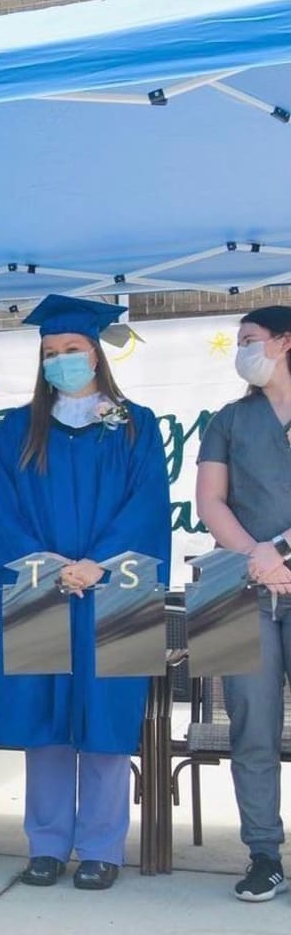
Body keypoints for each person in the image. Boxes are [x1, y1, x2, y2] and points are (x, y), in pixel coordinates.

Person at [0, 294, 171, 890]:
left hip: (117, 591)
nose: (60, 360)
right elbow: (2, 509)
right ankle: (45, 844)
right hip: (39, 587)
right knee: (44, 717)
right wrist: (46, 563)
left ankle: (101, 846)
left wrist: (98, 565)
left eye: (71, 350)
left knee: (107, 718)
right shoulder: (18, 428)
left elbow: (148, 508)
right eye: (50, 353)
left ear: (96, 355)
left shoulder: (135, 425)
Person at [196, 305, 291, 902]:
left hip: (271, 565)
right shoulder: (229, 419)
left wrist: (280, 551)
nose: (243, 351)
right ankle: (263, 853)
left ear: (285, 343)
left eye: (251, 340)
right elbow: (211, 501)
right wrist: (259, 557)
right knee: (252, 729)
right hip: (242, 590)